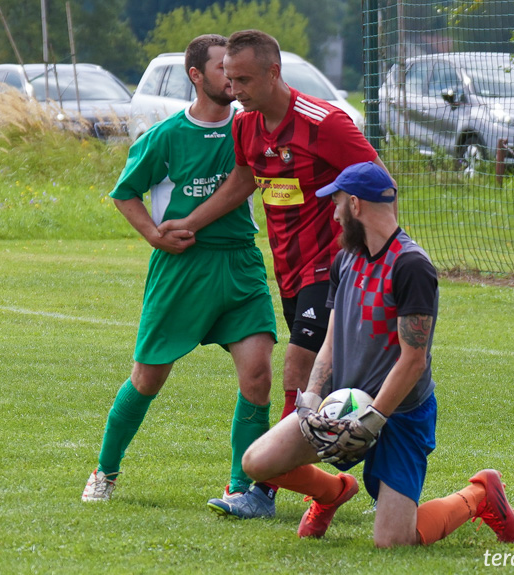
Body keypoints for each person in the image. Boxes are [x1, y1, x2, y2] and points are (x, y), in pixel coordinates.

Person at [158, 29, 390, 518]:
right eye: (228, 77)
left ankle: (264, 487)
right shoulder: (246, 127)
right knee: (345, 380)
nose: (234, 88)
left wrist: (376, 254)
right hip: (287, 268)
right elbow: (243, 181)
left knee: (298, 366)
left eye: (243, 78)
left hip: (332, 266)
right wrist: (192, 222)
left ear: (273, 72)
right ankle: (360, 485)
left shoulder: (324, 122)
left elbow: (377, 181)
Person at [239, 161, 514, 546]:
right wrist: (312, 402)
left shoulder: (411, 266)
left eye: (336, 203)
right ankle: (333, 491)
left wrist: (372, 420)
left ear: (355, 205)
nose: (334, 215)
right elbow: (330, 344)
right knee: (257, 462)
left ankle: (479, 494)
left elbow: (413, 359)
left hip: (400, 413)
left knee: (393, 541)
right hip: (342, 405)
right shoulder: (345, 260)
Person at [81, 35, 278, 508]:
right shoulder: (166, 136)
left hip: (240, 263)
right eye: (220, 70)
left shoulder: (248, 127)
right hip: (181, 270)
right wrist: (153, 234)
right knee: (148, 379)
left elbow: (248, 179)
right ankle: (105, 471)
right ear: (196, 76)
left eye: (234, 71)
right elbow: (124, 193)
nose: (230, 78)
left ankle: (240, 484)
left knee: (258, 376)